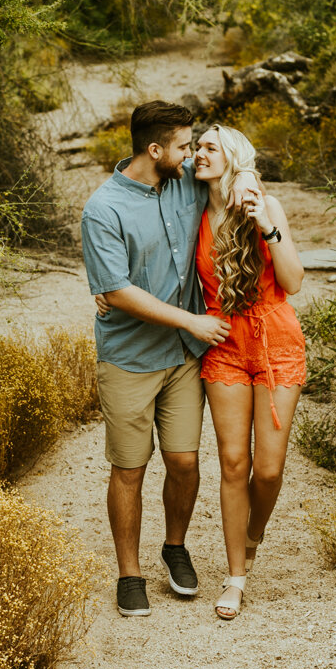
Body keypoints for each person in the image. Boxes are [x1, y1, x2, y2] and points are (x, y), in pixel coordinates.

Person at [80, 101, 232, 621]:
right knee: (130, 468)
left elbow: (233, 164)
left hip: (182, 359)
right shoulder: (104, 209)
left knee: (185, 461)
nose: (191, 154)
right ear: (154, 150)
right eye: (184, 146)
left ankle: (174, 547)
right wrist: (191, 320)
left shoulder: (186, 179)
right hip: (129, 359)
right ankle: (129, 574)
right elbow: (118, 291)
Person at [191, 127, 308, 621]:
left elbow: (295, 281)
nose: (198, 154)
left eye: (209, 148)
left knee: (269, 469)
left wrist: (266, 225)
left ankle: (253, 535)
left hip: (276, 339)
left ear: (233, 157)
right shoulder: (190, 208)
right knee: (233, 464)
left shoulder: (264, 204)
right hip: (225, 346)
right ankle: (236, 575)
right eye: (195, 147)